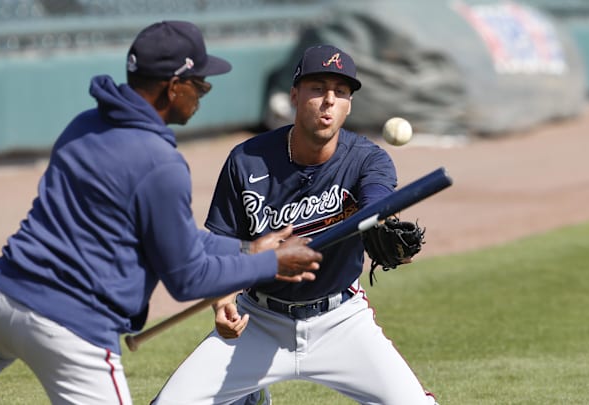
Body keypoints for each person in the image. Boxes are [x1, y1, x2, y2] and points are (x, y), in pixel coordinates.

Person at [0, 21, 323, 405]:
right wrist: (270, 265)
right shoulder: (160, 164)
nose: (203, 94)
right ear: (173, 87)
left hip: (2, 297)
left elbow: (178, 239)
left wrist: (246, 250)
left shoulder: (84, 125)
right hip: (68, 328)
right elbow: (187, 278)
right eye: (200, 84)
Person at [151, 45, 439, 404]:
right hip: (257, 320)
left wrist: (383, 227)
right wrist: (222, 300)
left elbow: (377, 202)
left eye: (341, 91)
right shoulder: (247, 160)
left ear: (349, 103)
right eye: (317, 88)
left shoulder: (368, 159)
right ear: (294, 96)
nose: (329, 100)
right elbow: (222, 245)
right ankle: (251, 396)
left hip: (341, 322)